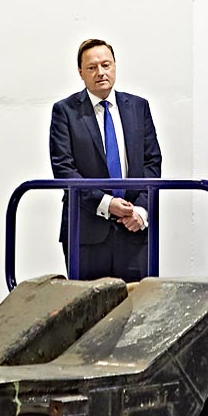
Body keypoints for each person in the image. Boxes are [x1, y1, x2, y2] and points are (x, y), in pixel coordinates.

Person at [49, 39, 163, 281]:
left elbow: (152, 163)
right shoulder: (65, 111)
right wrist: (106, 203)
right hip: (87, 234)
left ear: (114, 66)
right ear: (80, 72)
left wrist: (141, 210)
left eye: (106, 65)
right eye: (92, 67)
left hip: (134, 231)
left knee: (138, 310)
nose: (100, 72)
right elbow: (63, 169)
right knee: (90, 312)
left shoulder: (138, 107)